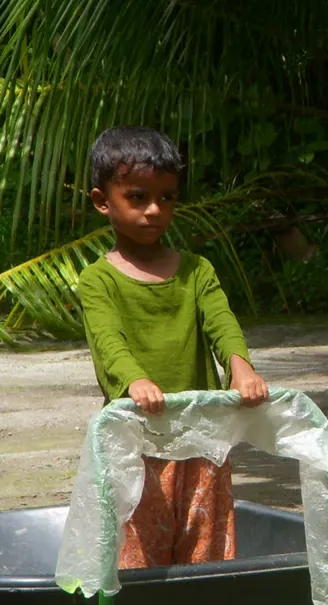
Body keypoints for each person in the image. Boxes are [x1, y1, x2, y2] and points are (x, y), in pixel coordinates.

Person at [77, 126, 269, 570]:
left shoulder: (197, 271)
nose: (154, 210)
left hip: (201, 438)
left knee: (205, 546)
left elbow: (221, 322)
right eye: (138, 197)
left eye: (167, 198)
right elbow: (109, 344)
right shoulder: (98, 280)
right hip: (137, 440)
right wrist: (135, 381)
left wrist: (241, 368)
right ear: (102, 201)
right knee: (138, 551)